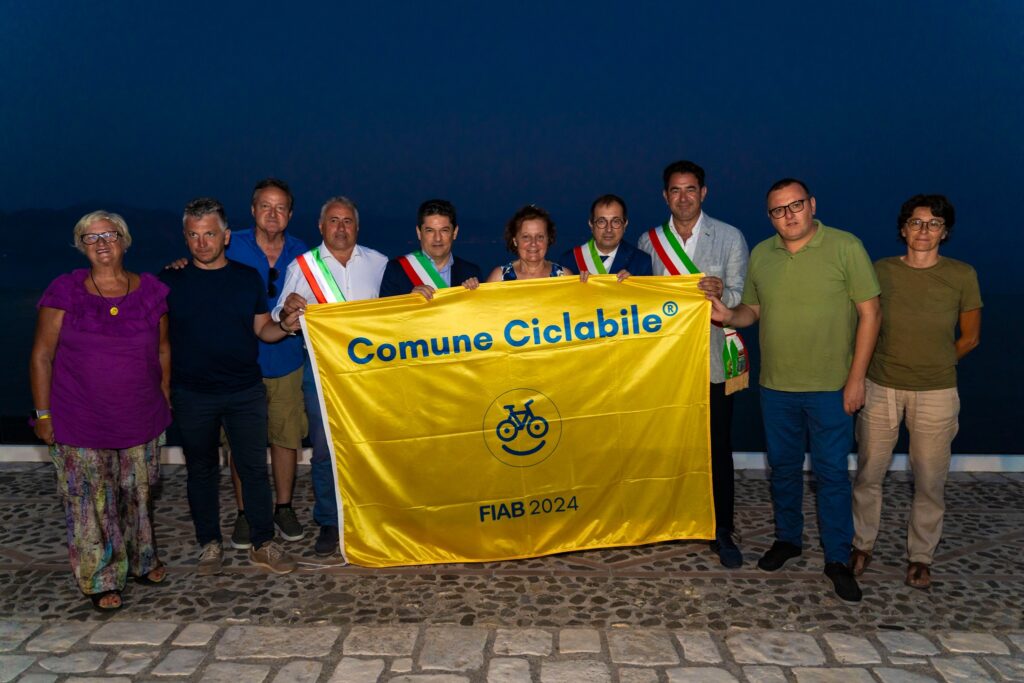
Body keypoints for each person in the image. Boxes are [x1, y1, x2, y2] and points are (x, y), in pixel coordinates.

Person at [709, 178, 881, 602]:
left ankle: (837, 558)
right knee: (783, 470)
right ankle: (788, 539)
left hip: (831, 387)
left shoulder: (846, 247)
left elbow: (871, 314)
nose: (788, 215)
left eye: (795, 206)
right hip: (776, 387)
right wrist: (729, 313)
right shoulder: (763, 255)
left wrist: (857, 378)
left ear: (812, 204)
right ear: (769, 216)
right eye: (777, 210)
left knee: (831, 475)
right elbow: (753, 310)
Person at [30, 210, 171, 611]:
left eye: (110, 235)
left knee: (138, 495)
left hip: (140, 417)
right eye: (91, 238)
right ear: (81, 247)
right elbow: (42, 355)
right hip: (79, 418)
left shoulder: (152, 292)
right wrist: (43, 415)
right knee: (88, 501)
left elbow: (162, 349)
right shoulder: (64, 291)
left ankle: (142, 560)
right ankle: (100, 577)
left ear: (125, 241)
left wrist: (163, 395)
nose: (102, 243)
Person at [160, 197, 302, 576]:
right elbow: (154, 341)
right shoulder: (169, 282)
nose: (201, 242)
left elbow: (262, 329)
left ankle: (262, 543)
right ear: (185, 238)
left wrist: (286, 325)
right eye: (194, 235)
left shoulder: (245, 278)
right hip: (192, 394)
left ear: (225, 236)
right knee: (201, 471)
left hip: (244, 391)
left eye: (209, 234)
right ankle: (210, 543)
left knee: (253, 468)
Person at [850, 194, 981, 590]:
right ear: (903, 228)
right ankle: (861, 544)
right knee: (869, 472)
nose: (924, 230)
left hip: (937, 392)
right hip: (880, 386)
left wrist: (938, 362)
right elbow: (863, 322)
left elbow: (971, 337)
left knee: (929, 479)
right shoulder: (880, 271)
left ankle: (921, 555)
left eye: (934, 223)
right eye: (916, 222)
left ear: (946, 231)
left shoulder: (962, 275)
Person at [637, 160, 749, 568]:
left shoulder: (730, 237)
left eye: (690, 189)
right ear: (665, 196)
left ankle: (721, 528)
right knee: (668, 445)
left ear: (703, 192)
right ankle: (671, 518)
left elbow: (741, 297)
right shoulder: (649, 243)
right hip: (667, 366)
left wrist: (723, 292)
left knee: (717, 447)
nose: (683, 197)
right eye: (675, 190)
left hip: (713, 362)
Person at [273, 196, 388, 556]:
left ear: (357, 226)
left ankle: (370, 516)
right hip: (320, 369)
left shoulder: (379, 264)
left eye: (348, 221)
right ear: (321, 227)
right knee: (325, 450)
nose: (341, 228)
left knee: (370, 444)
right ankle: (329, 520)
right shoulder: (303, 266)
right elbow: (281, 308)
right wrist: (287, 312)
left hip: (369, 373)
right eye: (334, 221)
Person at [224, 178, 309, 549]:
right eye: (265, 206)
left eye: (280, 208)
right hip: (239, 363)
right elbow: (201, 263)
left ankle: (284, 506)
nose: (272, 214)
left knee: (286, 438)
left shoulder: (302, 251)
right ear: (253, 210)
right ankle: (245, 513)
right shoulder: (231, 245)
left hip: (287, 359)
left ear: (289, 214)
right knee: (243, 444)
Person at [380, 198, 481, 298]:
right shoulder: (397, 270)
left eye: (444, 230)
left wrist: (472, 296)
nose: (437, 238)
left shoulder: (471, 273)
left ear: (455, 232)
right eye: (430, 230)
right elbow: (385, 313)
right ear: (419, 233)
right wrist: (410, 300)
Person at [560, 194, 652, 278]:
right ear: (591, 225)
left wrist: (633, 287)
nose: (608, 229)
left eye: (616, 222)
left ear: (625, 225)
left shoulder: (642, 262)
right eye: (601, 221)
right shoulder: (569, 261)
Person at [486, 205, 574, 281]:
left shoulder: (564, 277)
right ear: (515, 241)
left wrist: (586, 285)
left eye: (540, 237)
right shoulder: (499, 278)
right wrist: (473, 291)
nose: (533, 243)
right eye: (526, 237)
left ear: (548, 239)